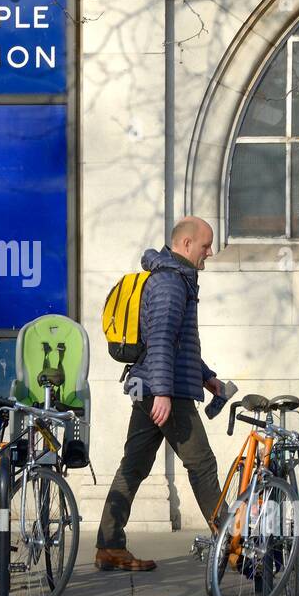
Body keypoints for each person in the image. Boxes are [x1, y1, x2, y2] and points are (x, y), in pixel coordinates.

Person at [95, 216, 227, 571]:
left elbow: (179, 345)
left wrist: (206, 377)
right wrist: (165, 393)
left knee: (134, 465)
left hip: (154, 386)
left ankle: (109, 545)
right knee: (202, 465)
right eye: (205, 245)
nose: (209, 253)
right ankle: (233, 542)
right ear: (186, 245)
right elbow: (161, 342)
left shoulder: (176, 279)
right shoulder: (171, 283)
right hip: (165, 391)